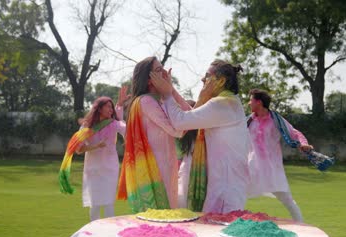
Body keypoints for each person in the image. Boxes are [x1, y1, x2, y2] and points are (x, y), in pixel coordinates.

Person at [151, 59, 252, 213]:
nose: (202, 79)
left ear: (221, 81)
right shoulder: (230, 102)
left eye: (207, 76)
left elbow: (180, 121)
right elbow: (191, 113)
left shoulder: (221, 104)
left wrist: (167, 94)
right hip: (227, 185)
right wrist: (170, 89)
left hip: (226, 190)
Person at [116, 56, 191, 213]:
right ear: (149, 79)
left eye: (163, 69)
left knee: (164, 219)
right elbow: (178, 129)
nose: (164, 73)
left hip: (164, 167)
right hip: (156, 170)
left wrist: (171, 91)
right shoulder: (146, 102)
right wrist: (169, 92)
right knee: (161, 220)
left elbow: (189, 117)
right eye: (158, 70)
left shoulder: (156, 101)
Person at [246, 89, 312, 222]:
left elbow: (294, 133)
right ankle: (230, 223)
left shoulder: (276, 120)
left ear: (258, 102)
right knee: (237, 193)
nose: (248, 104)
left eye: (251, 100)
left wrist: (304, 144)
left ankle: (302, 226)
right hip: (252, 167)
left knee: (287, 200)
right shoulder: (248, 121)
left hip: (272, 169)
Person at [74, 88, 128, 221]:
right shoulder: (87, 127)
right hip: (93, 169)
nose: (111, 110)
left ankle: (109, 232)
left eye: (112, 107)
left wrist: (120, 105)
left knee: (109, 202)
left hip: (110, 168)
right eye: (108, 107)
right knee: (95, 204)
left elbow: (127, 130)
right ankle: (95, 233)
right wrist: (95, 147)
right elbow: (78, 149)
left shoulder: (113, 124)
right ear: (99, 109)